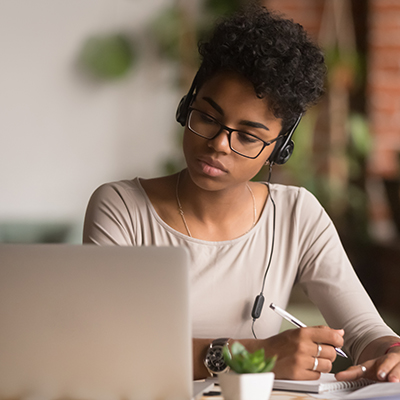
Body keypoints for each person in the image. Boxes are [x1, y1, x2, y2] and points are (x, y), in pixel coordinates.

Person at [83, 4, 400, 382]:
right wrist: (254, 354)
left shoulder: (297, 215)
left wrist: (392, 352)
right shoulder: (122, 209)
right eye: (207, 117)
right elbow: (106, 346)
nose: (218, 144)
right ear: (187, 107)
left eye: (247, 136)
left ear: (278, 149)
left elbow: (365, 330)